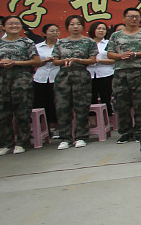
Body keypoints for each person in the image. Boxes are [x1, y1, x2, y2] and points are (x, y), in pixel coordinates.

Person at [106, 8, 141, 144]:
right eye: (131, 16)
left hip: (139, 71)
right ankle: (125, 132)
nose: (134, 19)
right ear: (124, 18)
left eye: (136, 17)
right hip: (120, 72)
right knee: (121, 103)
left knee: (140, 102)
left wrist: (135, 54)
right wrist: (120, 56)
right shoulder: (116, 35)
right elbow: (110, 53)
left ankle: (140, 131)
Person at [0, 16, 40, 155]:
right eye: (10, 24)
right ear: (4, 27)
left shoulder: (27, 42)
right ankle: (5, 144)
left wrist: (15, 63)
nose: (14, 26)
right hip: (1, 80)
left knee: (22, 112)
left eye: (17, 23)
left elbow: (35, 61)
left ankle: (23, 142)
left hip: (21, 79)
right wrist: (0, 64)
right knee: (2, 113)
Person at [53, 15, 97, 149]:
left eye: (78, 24)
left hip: (81, 75)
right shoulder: (60, 42)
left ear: (83, 26)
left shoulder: (89, 42)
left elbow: (92, 60)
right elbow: (55, 61)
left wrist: (78, 61)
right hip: (63, 76)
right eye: (72, 24)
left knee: (81, 106)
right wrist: (64, 61)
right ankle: (65, 138)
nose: (75, 26)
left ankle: (81, 136)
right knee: (62, 107)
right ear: (67, 27)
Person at [32, 22, 61, 140]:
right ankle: (44, 129)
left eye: (57, 31)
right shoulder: (38, 47)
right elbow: (34, 62)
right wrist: (44, 61)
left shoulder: (62, 45)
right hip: (41, 78)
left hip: (57, 76)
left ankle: (58, 128)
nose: (55, 33)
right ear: (44, 33)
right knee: (41, 103)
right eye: (51, 31)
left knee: (56, 103)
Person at [87, 21, 115, 116]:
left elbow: (115, 59)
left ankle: (108, 118)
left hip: (106, 73)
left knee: (106, 97)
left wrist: (99, 61)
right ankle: (93, 120)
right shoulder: (87, 43)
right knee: (91, 98)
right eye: (99, 28)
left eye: (103, 29)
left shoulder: (109, 43)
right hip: (89, 74)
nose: (101, 31)